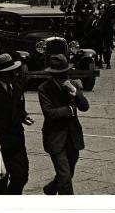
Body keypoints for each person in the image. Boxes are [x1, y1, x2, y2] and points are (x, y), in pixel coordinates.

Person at [0, 54, 34, 195]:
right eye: (10, 72)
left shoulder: (17, 88)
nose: (14, 74)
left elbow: (18, 108)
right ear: (1, 74)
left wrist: (24, 116)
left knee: (21, 176)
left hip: (16, 142)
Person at [38, 54, 90, 195]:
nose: (63, 77)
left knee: (69, 172)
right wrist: (70, 110)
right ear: (52, 75)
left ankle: (51, 188)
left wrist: (75, 92)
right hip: (55, 137)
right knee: (65, 176)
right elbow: (49, 113)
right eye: (59, 75)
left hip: (73, 137)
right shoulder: (44, 88)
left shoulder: (72, 85)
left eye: (64, 73)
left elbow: (85, 107)